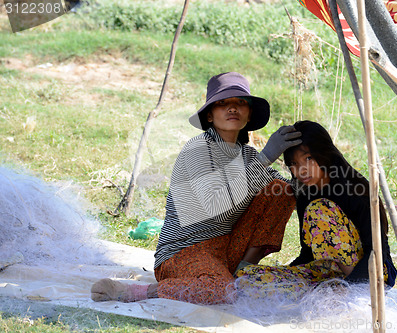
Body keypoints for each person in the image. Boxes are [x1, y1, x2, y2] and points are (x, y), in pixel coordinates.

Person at [90, 72, 302, 304]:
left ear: (249, 114)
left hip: (228, 249)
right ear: (209, 115)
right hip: (185, 250)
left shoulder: (248, 155)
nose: (233, 109)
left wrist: (310, 170)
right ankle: (137, 292)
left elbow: (287, 192)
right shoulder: (198, 149)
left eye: (241, 103)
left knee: (280, 191)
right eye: (223, 104)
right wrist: (267, 156)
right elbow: (215, 205)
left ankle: (244, 272)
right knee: (221, 291)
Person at [236, 120, 397, 297]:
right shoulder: (305, 194)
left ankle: (343, 292)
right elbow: (308, 253)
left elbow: (376, 252)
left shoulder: (355, 190)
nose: (302, 170)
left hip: (370, 273)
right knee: (246, 277)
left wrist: (348, 286)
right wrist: (289, 275)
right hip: (326, 275)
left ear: (324, 153)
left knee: (319, 209)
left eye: (308, 159)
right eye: (294, 164)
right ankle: (327, 290)